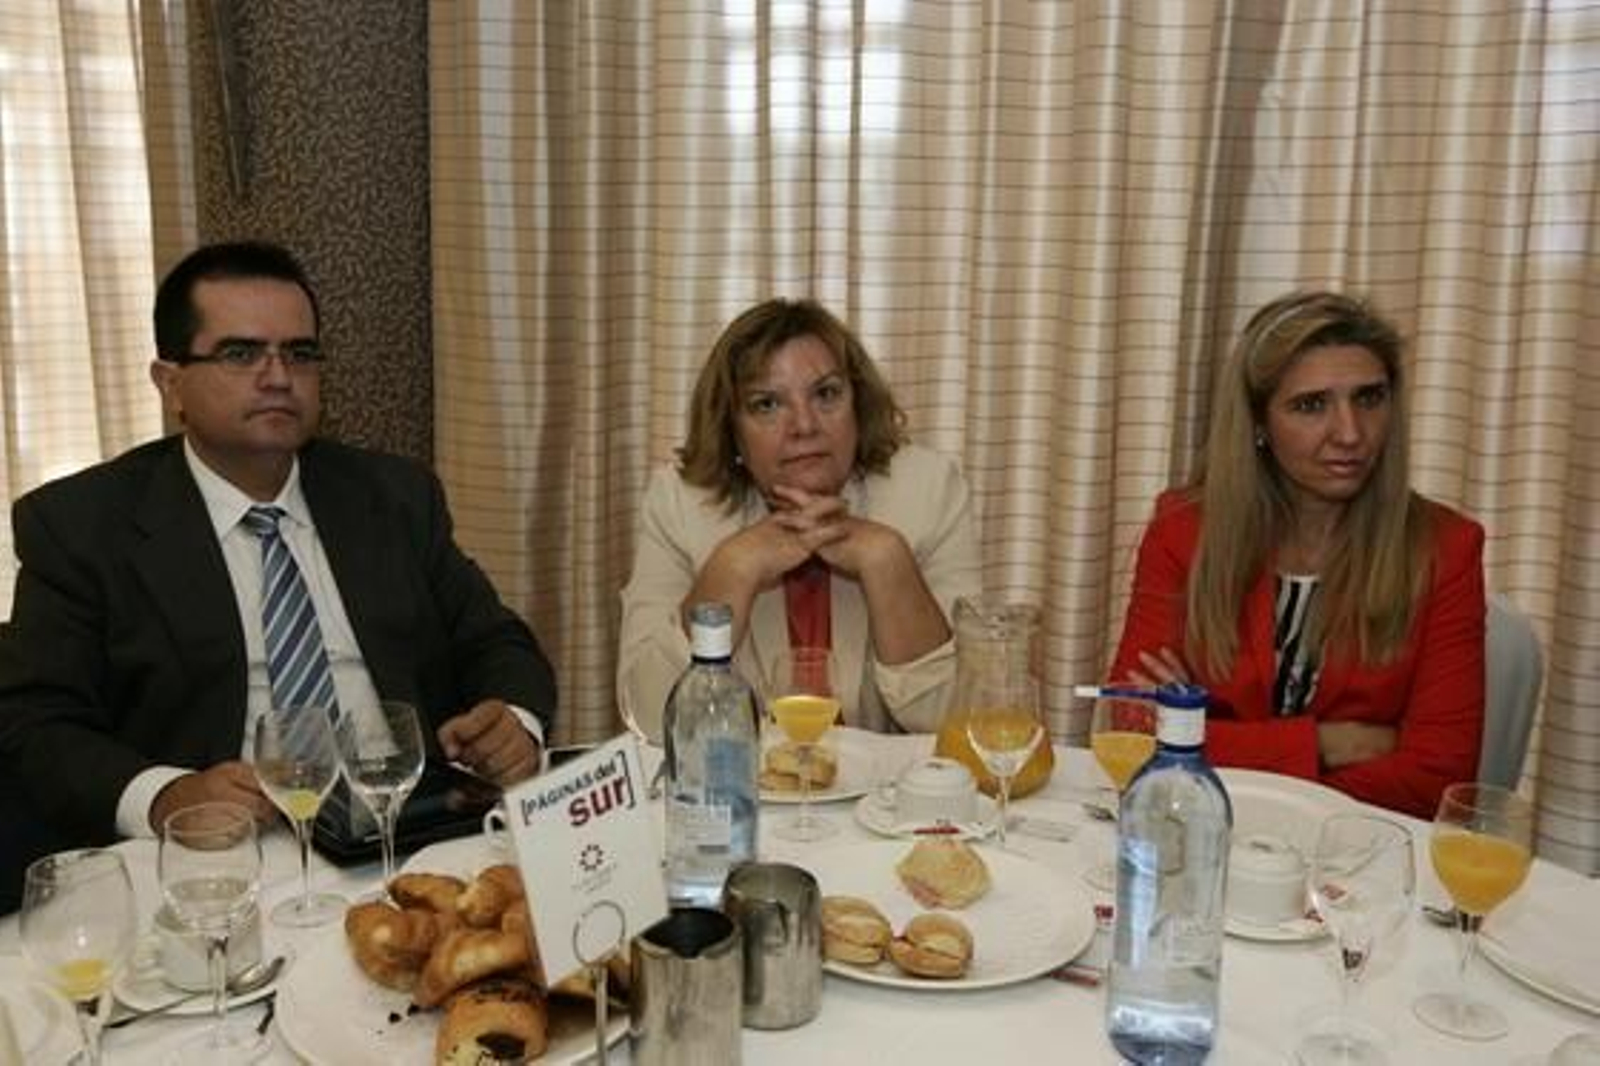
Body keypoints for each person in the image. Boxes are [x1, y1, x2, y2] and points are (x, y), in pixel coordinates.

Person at [0, 241, 556, 911]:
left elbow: (496, 641)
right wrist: (166, 794)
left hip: (407, 838)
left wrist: (515, 725)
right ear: (169, 381)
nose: (277, 376)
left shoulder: (392, 496)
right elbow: (36, 725)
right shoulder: (82, 525)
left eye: (299, 353)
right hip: (217, 869)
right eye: (240, 353)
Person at [1109, 290, 1485, 819]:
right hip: (1198, 832)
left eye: (1369, 398)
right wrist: (1326, 745)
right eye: (1312, 405)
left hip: (1359, 855)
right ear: (1259, 424)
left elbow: (1436, 778)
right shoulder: (1184, 531)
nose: (1350, 433)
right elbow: (1131, 736)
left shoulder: (1447, 549)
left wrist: (1202, 738)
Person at [618, 298, 981, 740]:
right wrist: (735, 567)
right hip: (742, 795)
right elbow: (650, 718)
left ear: (857, 405)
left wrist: (888, 561)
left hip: (889, 801)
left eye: (826, 394)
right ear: (731, 429)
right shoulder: (680, 504)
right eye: (767, 404)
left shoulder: (927, 490)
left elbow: (963, 724)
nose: (804, 425)